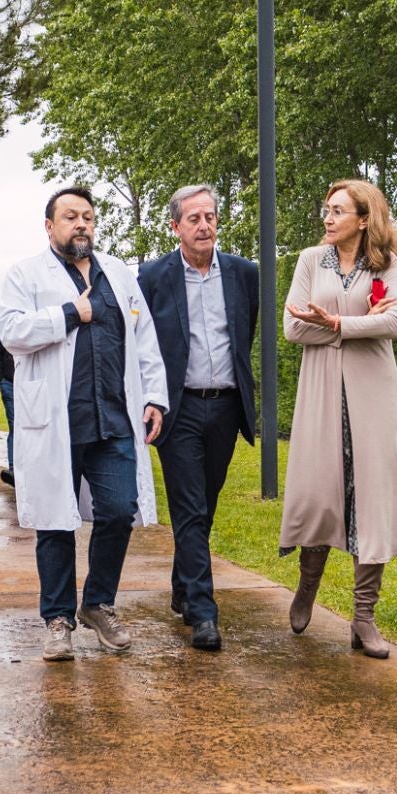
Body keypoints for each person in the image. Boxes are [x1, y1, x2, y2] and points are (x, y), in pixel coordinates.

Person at [0, 185, 169, 663]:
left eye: (88, 217)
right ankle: (57, 619)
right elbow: (11, 331)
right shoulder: (25, 274)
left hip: (113, 417)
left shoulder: (118, 273)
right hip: (56, 421)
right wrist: (71, 313)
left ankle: (96, 602)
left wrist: (154, 397)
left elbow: (145, 338)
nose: (82, 225)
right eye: (70, 217)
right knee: (54, 521)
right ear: (49, 226)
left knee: (119, 510)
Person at [280, 178, 397, 658]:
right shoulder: (310, 261)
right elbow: (293, 327)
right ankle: (307, 583)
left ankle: (364, 617)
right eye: (326, 210)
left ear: (363, 218)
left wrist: (335, 324)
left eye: (337, 211)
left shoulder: (386, 265)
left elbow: (395, 323)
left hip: (372, 391)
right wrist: (351, 330)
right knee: (320, 490)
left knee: (371, 497)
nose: (327, 219)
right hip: (322, 387)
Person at [137, 185, 259, 652]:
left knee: (203, 505)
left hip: (226, 406)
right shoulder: (153, 277)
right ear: (175, 226)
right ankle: (204, 613)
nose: (204, 225)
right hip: (178, 408)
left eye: (209, 216)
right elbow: (144, 342)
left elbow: (244, 334)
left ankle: (183, 587)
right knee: (188, 507)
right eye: (194, 219)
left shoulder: (244, 274)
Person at [0, 328, 17, 487]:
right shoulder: (5, 325)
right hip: (8, 382)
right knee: (15, 425)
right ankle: (14, 469)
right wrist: (1, 378)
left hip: (29, 383)